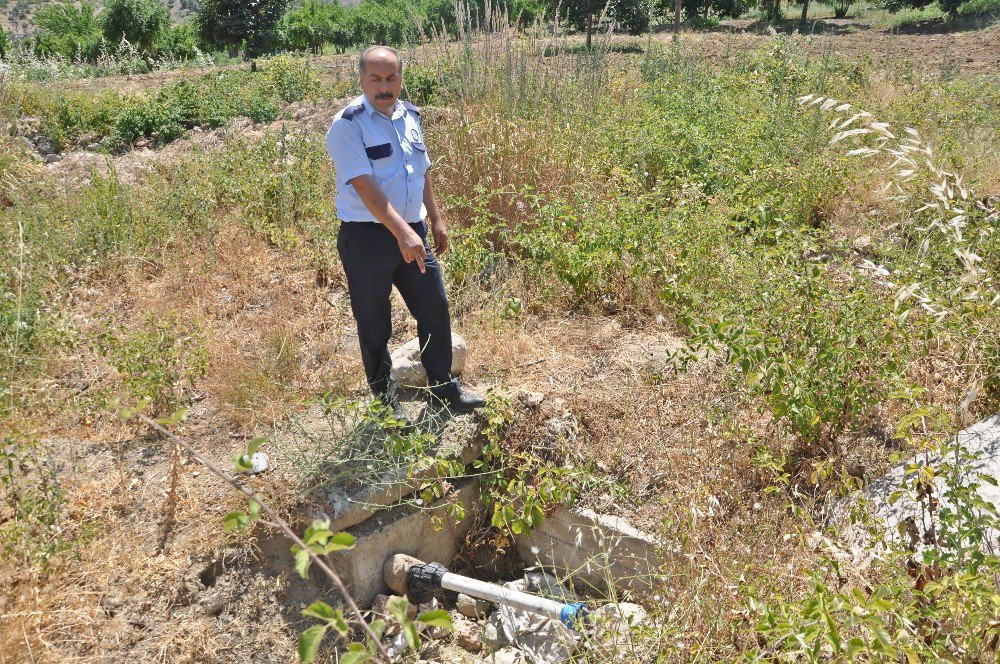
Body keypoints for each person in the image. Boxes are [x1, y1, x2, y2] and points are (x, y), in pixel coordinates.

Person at [325, 45, 485, 417]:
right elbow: (365, 188)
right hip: (367, 238)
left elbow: (422, 170)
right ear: (362, 79)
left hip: (411, 231)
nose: (384, 86)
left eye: (391, 78)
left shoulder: (409, 115)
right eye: (376, 78)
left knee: (434, 307)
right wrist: (403, 233)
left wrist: (435, 218)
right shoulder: (348, 125)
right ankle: (385, 403)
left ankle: (445, 388)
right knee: (374, 321)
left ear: (401, 78)